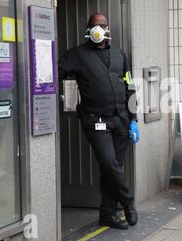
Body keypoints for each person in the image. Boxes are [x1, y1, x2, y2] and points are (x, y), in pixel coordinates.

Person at [59, 13, 140, 230]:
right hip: (96, 120)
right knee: (109, 163)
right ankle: (128, 200)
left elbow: (130, 85)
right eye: (94, 25)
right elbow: (53, 72)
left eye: (102, 25)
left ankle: (108, 214)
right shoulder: (77, 54)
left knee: (112, 168)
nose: (98, 29)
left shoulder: (118, 53)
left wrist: (133, 119)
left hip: (121, 120)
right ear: (88, 28)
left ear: (107, 29)